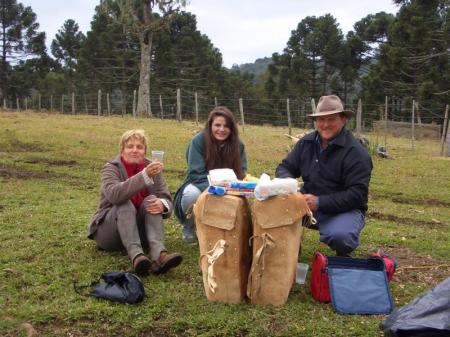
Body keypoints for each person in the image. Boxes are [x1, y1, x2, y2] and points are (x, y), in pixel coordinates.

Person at [276, 95, 373, 256]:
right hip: (306, 206)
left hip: (344, 210)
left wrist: (319, 202)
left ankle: (342, 253)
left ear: (343, 120)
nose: (325, 125)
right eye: (321, 119)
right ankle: (291, 248)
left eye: (331, 119)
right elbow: (285, 167)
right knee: (271, 211)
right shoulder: (306, 143)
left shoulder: (356, 153)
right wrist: (291, 187)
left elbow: (357, 195)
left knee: (341, 236)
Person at [87, 129, 182, 276]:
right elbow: (114, 195)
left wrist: (163, 205)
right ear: (122, 150)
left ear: (145, 151)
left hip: (139, 232)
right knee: (124, 202)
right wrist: (144, 176)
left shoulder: (153, 168)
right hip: (111, 233)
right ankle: (137, 256)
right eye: (130, 146)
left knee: (152, 200)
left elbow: (166, 197)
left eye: (139, 147)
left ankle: (160, 255)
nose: (134, 150)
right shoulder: (111, 168)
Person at [174, 106, 247, 244]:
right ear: (210, 125)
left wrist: (232, 186)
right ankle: (189, 228)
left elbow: (241, 170)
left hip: (229, 186)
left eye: (226, 126)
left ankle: (223, 231)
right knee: (191, 195)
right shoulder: (198, 141)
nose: (221, 129)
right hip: (199, 183)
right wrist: (215, 187)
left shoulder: (239, 145)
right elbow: (195, 173)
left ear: (231, 128)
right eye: (217, 125)